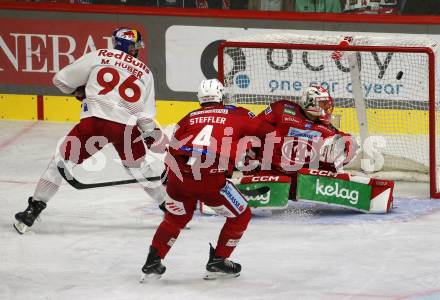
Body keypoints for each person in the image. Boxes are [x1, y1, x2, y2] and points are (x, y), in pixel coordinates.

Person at [13, 27, 165, 234]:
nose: (137, 50)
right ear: (131, 47)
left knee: (61, 164)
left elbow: (60, 79)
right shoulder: (145, 72)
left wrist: (79, 91)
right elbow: (145, 118)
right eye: (136, 46)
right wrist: (151, 138)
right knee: (140, 169)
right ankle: (170, 207)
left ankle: (34, 209)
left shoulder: (99, 55)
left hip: (94, 123)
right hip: (126, 129)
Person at [140, 79, 275, 280]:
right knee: (241, 215)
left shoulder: (188, 117)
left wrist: (168, 170)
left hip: (178, 178)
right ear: (222, 95)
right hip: (210, 181)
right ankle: (219, 261)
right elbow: (268, 132)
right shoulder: (236, 113)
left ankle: (153, 261)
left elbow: (172, 148)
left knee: (175, 218)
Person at [251, 85, 358, 200]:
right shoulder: (281, 109)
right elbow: (253, 126)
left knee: (332, 150)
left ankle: (333, 187)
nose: (327, 107)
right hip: (269, 175)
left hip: (300, 184)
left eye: (327, 103)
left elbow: (346, 139)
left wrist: (349, 144)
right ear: (309, 102)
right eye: (323, 103)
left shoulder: (326, 128)